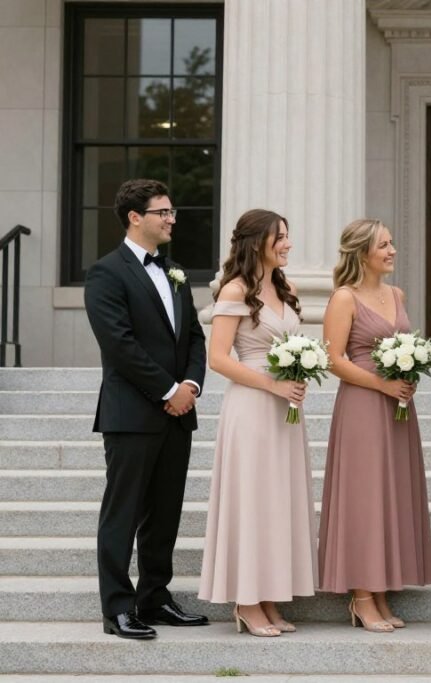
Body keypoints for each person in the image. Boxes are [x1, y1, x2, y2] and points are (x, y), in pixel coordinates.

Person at [84, 178, 208, 639]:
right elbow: (119, 345)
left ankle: (155, 598)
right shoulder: (106, 273)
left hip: (179, 412)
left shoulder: (174, 270)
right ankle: (117, 608)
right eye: (164, 212)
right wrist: (167, 390)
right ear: (136, 217)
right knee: (124, 513)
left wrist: (191, 383)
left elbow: (194, 335)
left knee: (165, 513)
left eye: (172, 212)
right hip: (132, 414)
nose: (172, 219)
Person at [198, 209, 317, 637]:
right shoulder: (234, 289)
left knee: (277, 501)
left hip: (285, 409)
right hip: (251, 406)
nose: (287, 243)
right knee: (252, 500)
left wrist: (299, 374)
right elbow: (218, 358)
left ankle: (268, 597)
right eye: (279, 237)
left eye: (288, 235)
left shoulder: (286, 289)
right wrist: (272, 384)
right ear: (256, 242)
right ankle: (247, 602)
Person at [318, 219, 431, 632]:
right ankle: (362, 596)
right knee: (366, 496)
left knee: (393, 492)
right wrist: (383, 385)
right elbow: (334, 360)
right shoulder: (344, 299)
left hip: (398, 407)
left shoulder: (397, 294)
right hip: (363, 406)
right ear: (362, 253)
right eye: (384, 245)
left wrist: (409, 376)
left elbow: (407, 345)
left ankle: (382, 590)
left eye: (392, 242)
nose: (392, 250)